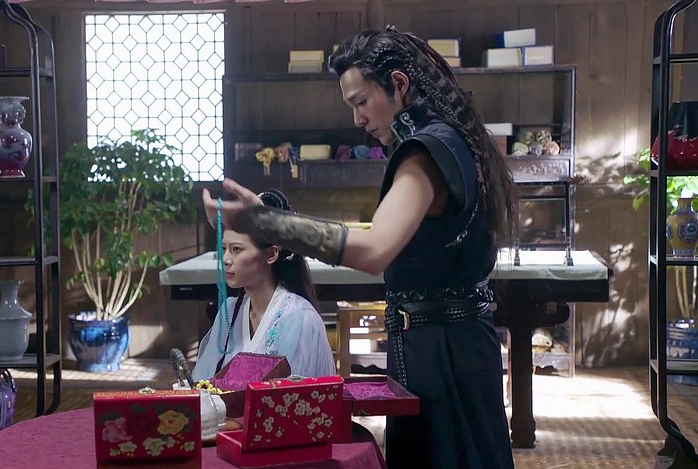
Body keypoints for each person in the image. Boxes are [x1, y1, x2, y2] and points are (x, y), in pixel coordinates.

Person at [203, 27, 518, 469]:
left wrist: (266, 223)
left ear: (399, 84)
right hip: (442, 341)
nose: (357, 119)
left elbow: (374, 251)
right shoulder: (445, 140)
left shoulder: (427, 152)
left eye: (362, 102)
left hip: (445, 350)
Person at [192, 189, 336, 381]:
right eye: (224, 248)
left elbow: (297, 394)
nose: (226, 259)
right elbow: (206, 383)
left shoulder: (299, 318)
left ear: (271, 254)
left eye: (236, 249)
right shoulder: (230, 311)